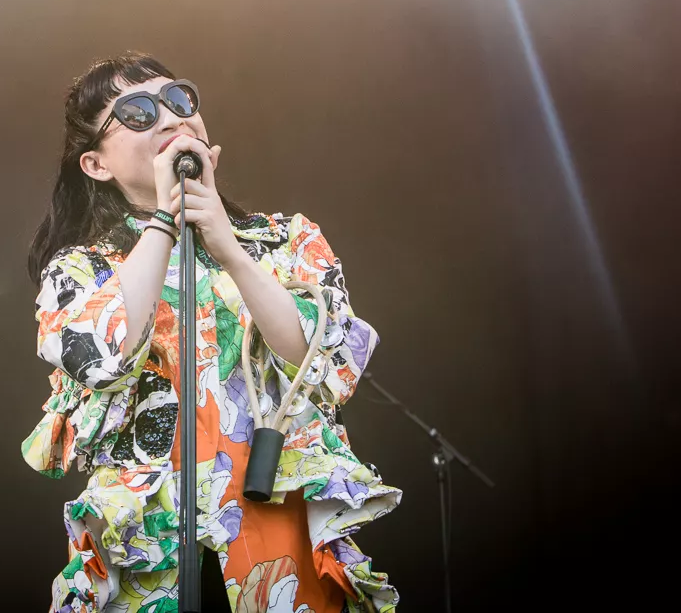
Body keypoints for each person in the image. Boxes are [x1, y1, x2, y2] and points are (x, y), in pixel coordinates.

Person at [22, 53, 402, 613]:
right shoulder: (82, 271)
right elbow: (103, 358)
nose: (171, 117)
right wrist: (164, 221)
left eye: (179, 99)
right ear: (96, 165)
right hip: (148, 550)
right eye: (139, 111)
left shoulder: (287, 241)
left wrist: (228, 246)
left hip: (273, 538)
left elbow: (324, 363)